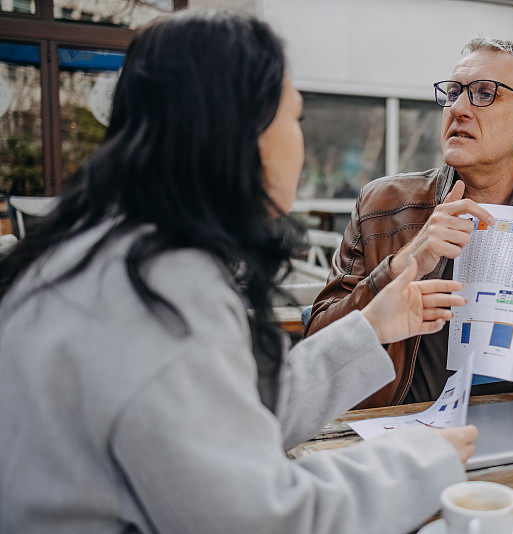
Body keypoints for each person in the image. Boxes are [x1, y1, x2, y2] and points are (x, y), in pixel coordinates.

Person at [0, 11, 478, 533]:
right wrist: (423, 461)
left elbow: (227, 416)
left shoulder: (111, 251)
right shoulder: (157, 295)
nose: (301, 139)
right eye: (294, 118)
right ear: (242, 133)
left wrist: (372, 329)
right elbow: (260, 518)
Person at [306, 39, 513, 410]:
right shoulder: (383, 205)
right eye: (454, 92)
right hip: (405, 432)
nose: (458, 108)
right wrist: (404, 264)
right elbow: (316, 345)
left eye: (484, 93)